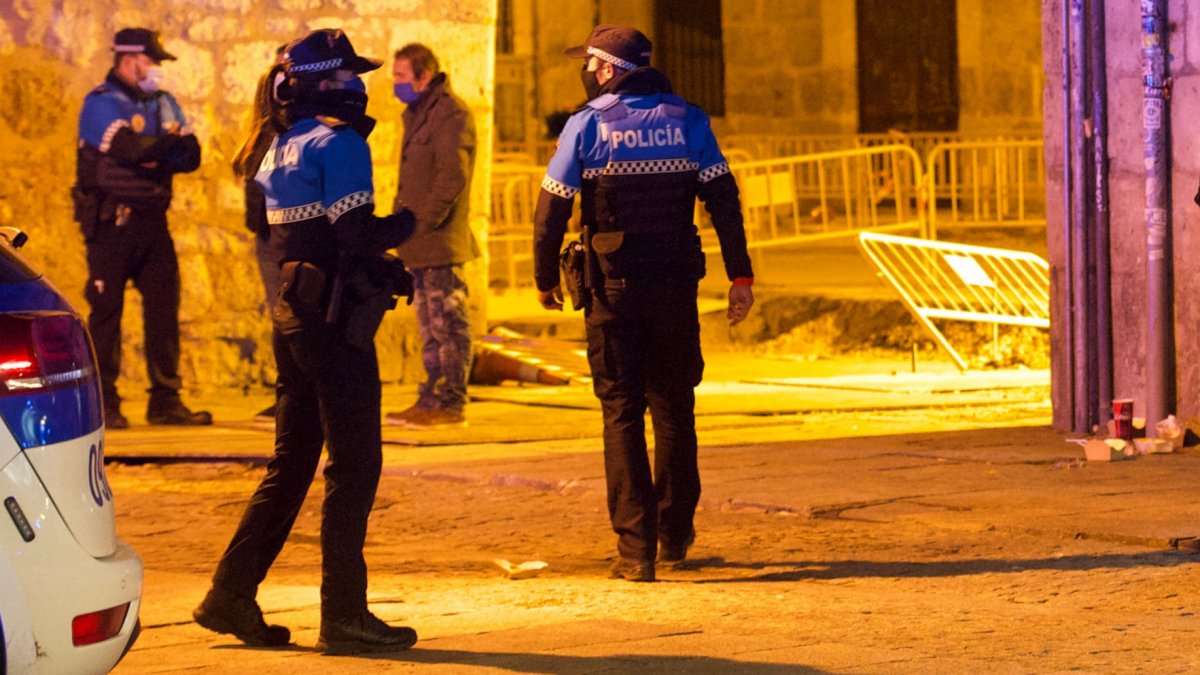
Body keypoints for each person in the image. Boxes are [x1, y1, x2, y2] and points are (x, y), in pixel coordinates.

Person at [193, 29, 418, 654]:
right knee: (355, 466)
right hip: (333, 325)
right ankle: (344, 614)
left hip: (292, 318)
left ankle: (230, 593)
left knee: (290, 465)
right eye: (350, 75)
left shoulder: (279, 143)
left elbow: (297, 238)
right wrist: (403, 226)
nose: (360, 84)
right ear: (327, 82)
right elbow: (352, 233)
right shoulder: (339, 143)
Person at [533, 25, 755, 582]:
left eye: (588, 63)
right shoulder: (689, 120)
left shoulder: (588, 125)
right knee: (676, 408)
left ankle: (637, 552)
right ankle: (674, 534)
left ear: (607, 69)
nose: (585, 72)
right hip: (676, 287)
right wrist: (740, 275)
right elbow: (724, 201)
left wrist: (544, 278)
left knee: (622, 413)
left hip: (614, 290)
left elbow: (550, 210)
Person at [72, 27, 211, 429]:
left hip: (153, 223)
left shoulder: (163, 102)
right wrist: (159, 149)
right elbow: (127, 149)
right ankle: (105, 404)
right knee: (107, 314)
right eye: (151, 61)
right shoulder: (100, 103)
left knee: (164, 312)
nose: (155, 70)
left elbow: (192, 154)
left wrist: (154, 153)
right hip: (111, 223)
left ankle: (165, 400)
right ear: (129, 59)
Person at [384, 43, 479, 429]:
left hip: (438, 242)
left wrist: (420, 223)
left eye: (401, 76)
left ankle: (450, 402)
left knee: (448, 324)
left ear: (424, 76)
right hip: (418, 245)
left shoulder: (450, 114)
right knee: (428, 326)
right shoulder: (420, 113)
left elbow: (451, 178)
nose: (395, 84)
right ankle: (430, 397)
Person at [232, 45, 289, 423]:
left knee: (293, 320)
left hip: (286, 234)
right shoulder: (267, 127)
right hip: (270, 236)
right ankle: (289, 394)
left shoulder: (301, 129)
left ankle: (296, 397)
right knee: (282, 319)